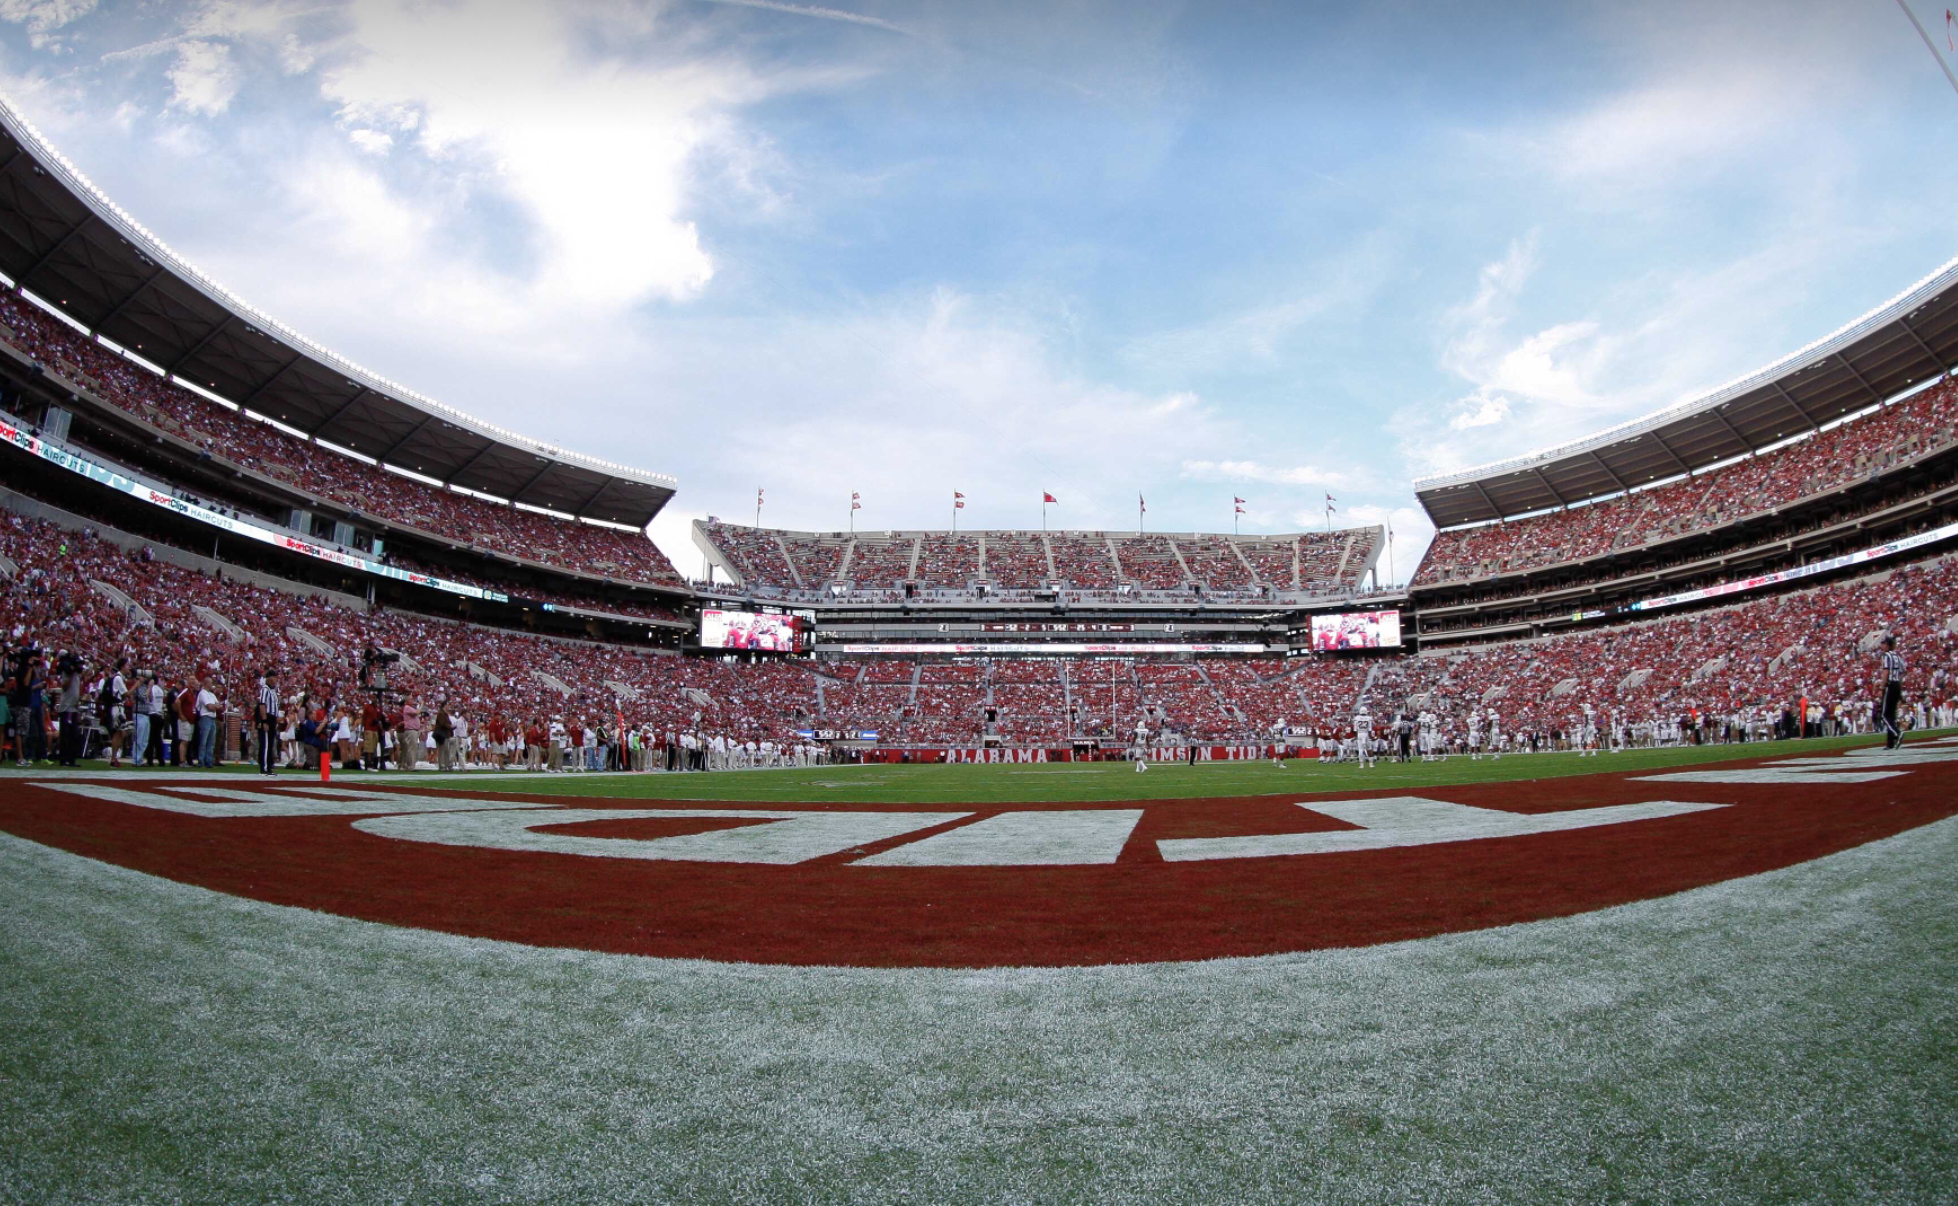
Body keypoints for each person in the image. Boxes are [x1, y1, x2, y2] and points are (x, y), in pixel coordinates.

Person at [1878, 634, 1906, 750]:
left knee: (1884, 715)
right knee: (1891, 715)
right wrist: (1900, 687)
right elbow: (1902, 672)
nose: (1881, 646)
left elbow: (1886, 672)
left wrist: (1881, 687)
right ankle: (1890, 743)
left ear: (1887, 645)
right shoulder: (1898, 657)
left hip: (1890, 685)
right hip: (1897, 685)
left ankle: (1897, 733)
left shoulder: (1886, 656)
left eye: (1883, 644)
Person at [254, 669, 282, 777]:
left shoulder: (273, 691)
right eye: (274, 677)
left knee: (270, 744)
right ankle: (264, 768)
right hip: (267, 718)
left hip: (272, 718)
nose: (276, 679)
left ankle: (269, 767)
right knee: (265, 744)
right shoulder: (265, 689)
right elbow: (262, 705)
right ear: (269, 678)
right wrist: (264, 720)